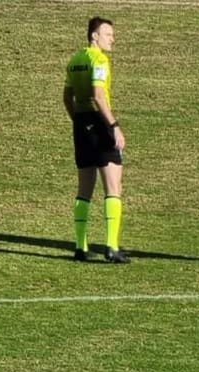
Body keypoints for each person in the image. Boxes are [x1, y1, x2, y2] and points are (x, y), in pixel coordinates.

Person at [64, 16, 130, 264]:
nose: (113, 38)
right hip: (100, 124)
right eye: (108, 34)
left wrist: (78, 122)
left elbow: (66, 97)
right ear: (95, 36)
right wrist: (113, 126)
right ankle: (111, 246)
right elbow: (99, 95)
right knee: (113, 187)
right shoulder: (99, 60)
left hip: (81, 125)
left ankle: (80, 246)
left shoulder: (74, 60)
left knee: (84, 188)